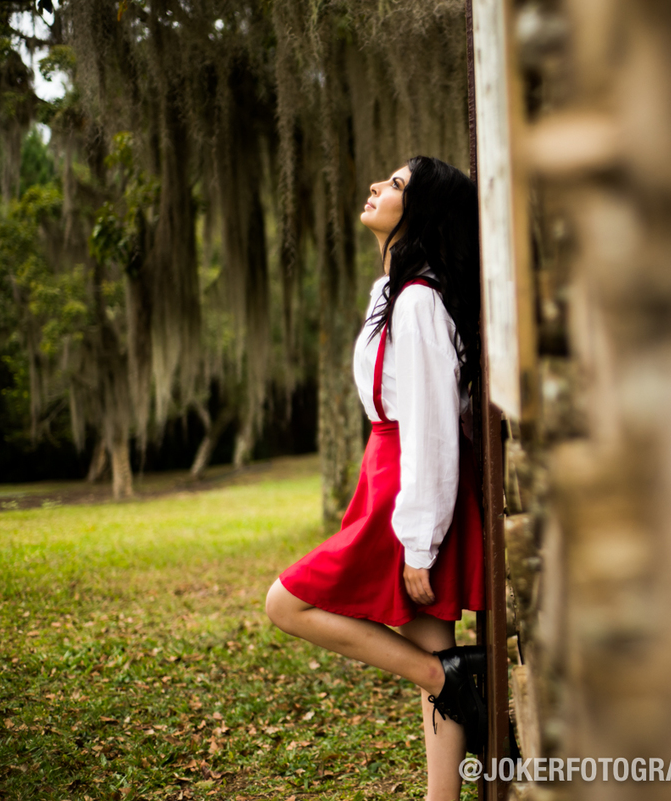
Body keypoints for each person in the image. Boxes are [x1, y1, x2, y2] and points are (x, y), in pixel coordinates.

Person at [266, 156, 487, 801]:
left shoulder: (418, 301)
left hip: (405, 488)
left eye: (394, 185)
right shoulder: (392, 293)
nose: (374, 187)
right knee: (434, 651)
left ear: (418, 214)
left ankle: (448, 678)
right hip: (386, 473)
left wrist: (421, 539)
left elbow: (434, 424)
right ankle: (441, 782)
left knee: (286, 603)